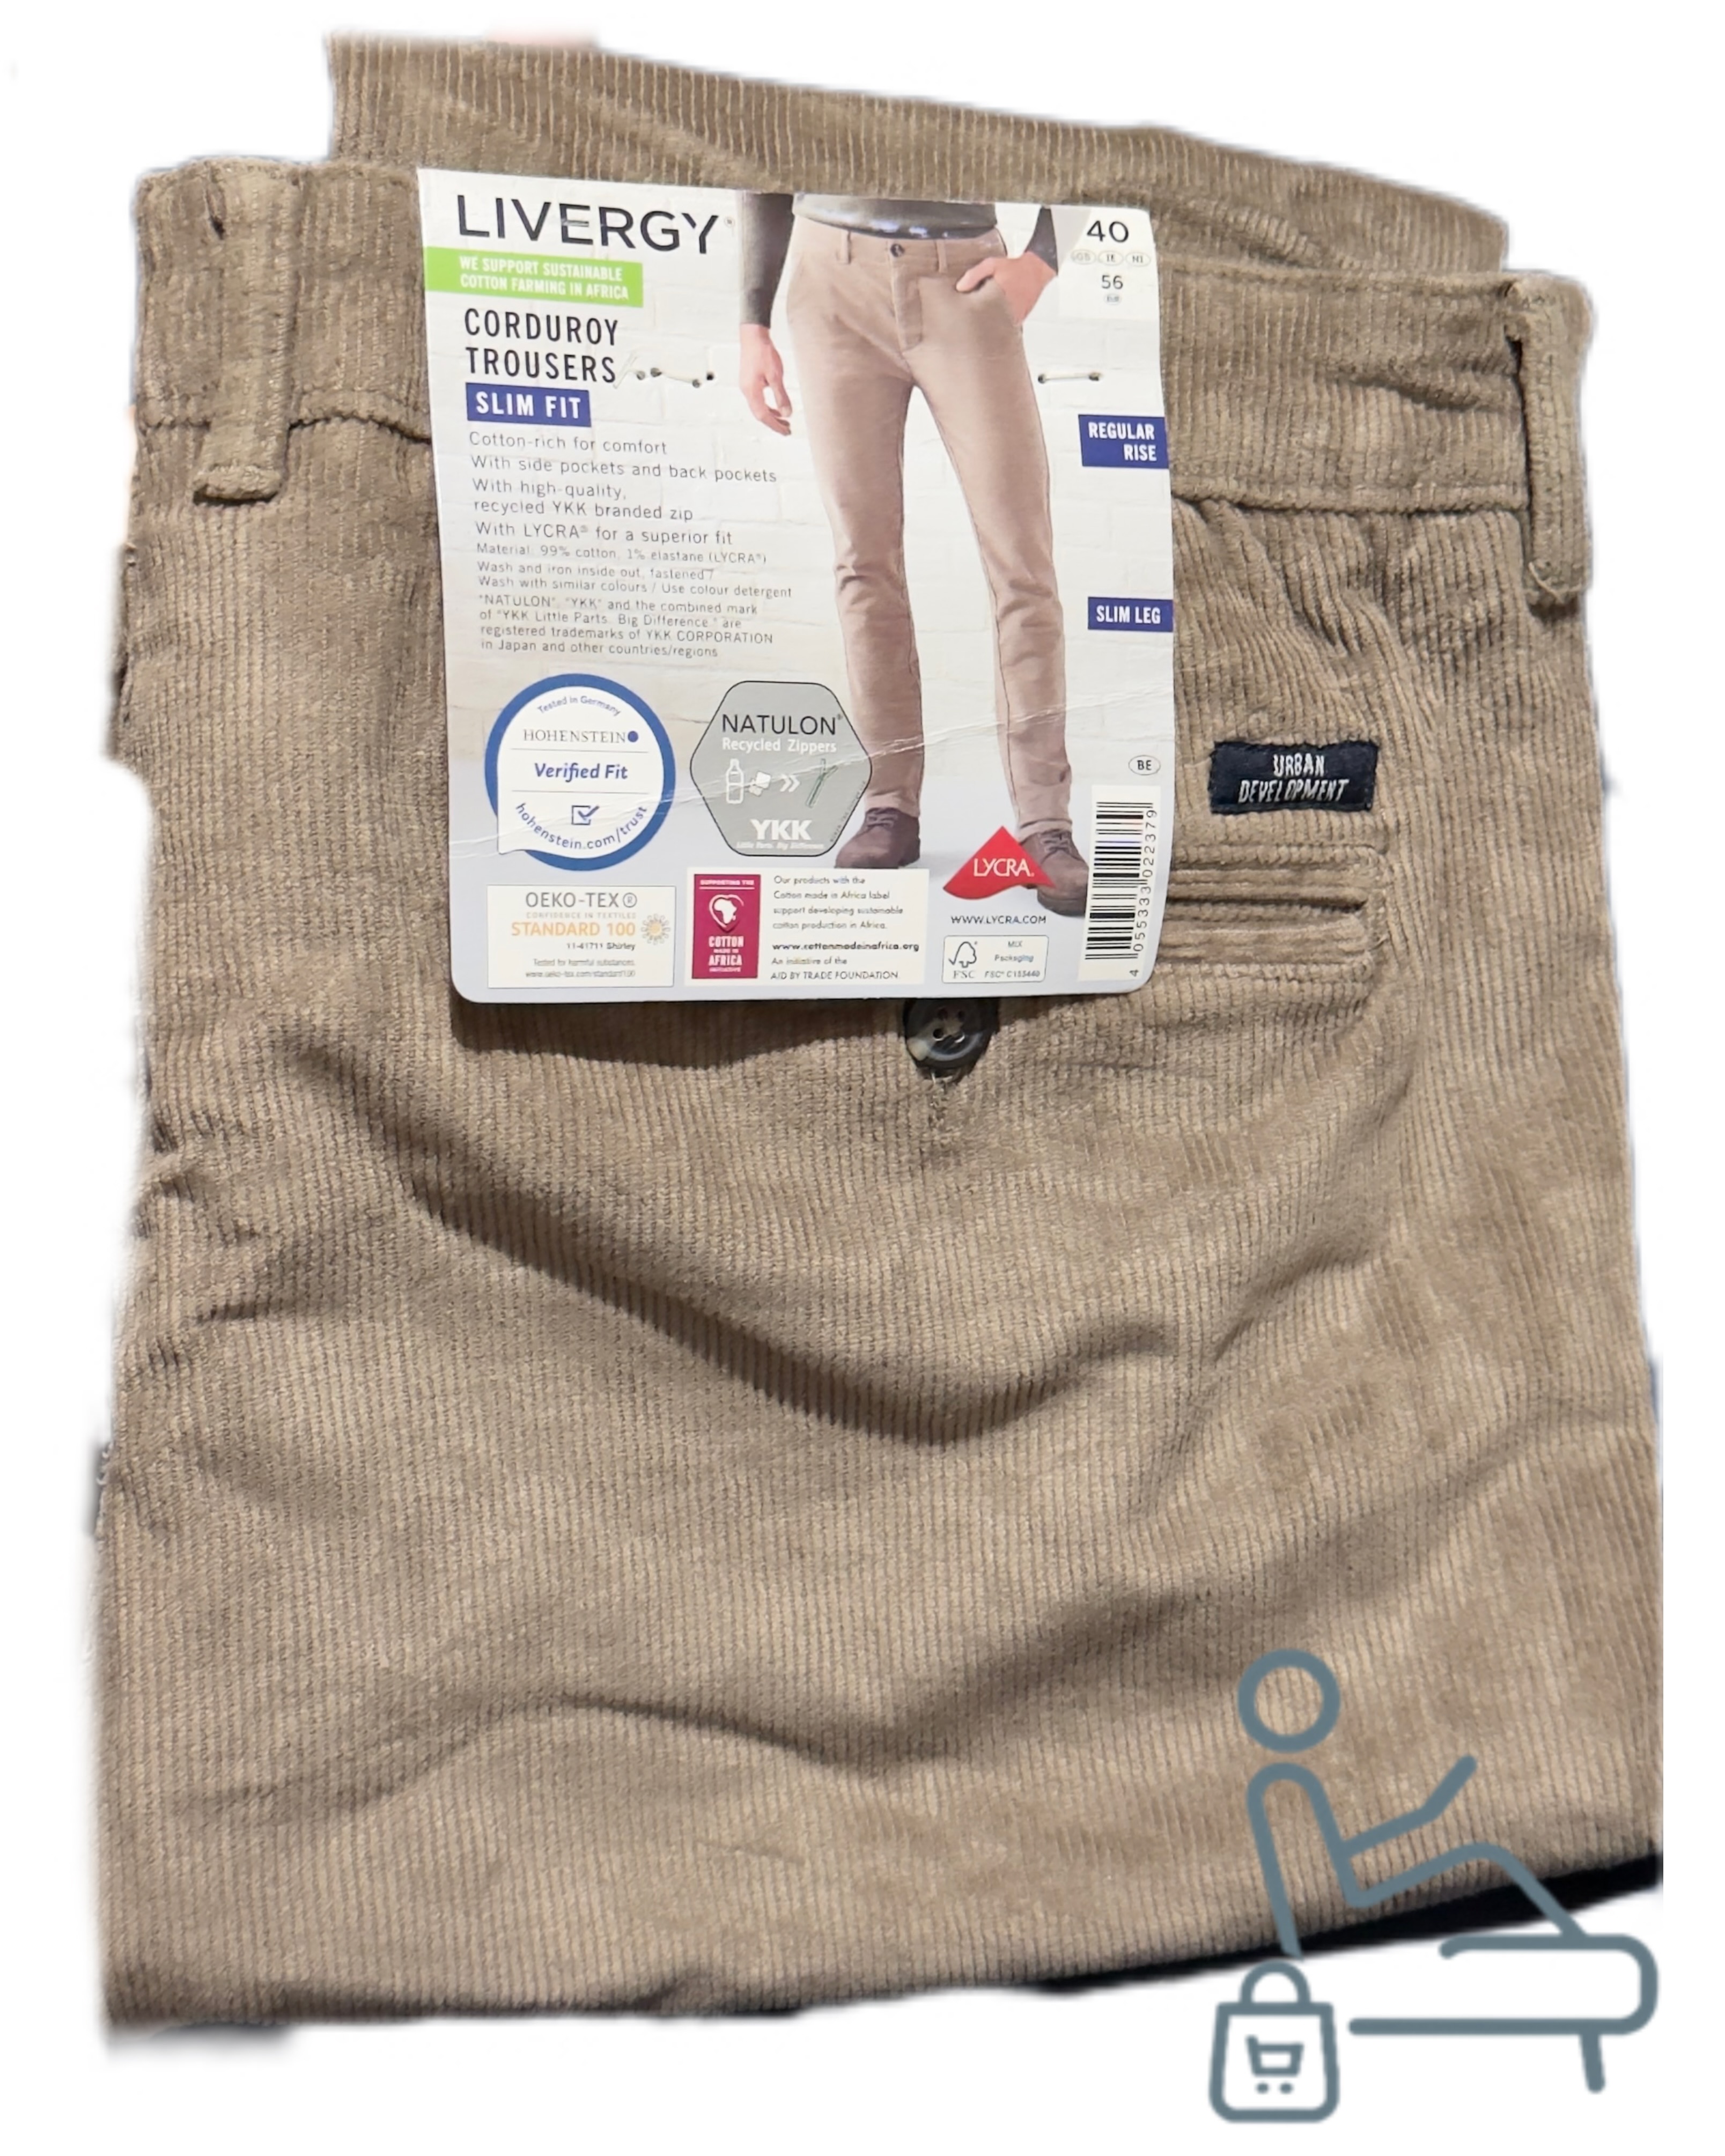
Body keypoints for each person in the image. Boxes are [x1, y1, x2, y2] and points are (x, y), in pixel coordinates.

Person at [736, 193, 1088, 914]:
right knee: (862, 562)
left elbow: (1099, 148)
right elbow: (760, 164)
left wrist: (1042, 259)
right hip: (830, 281)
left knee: (1021, 566)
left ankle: (1044, 823)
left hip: (964, 277)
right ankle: (888, 805)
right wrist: (752, 322)